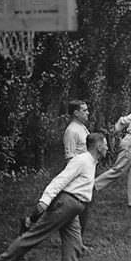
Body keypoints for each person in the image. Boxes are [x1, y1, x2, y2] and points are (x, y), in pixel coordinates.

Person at [0, 133, 107, 261]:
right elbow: (61, 179)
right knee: (36, 235)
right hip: (66, 204)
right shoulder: (81, 160)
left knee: (74, 244)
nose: (107, 148)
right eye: (105, 145)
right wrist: (45, 200)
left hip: (74, 208)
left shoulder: (92, 162)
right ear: (99, 147)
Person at [20, 100, 91, 240]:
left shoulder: (82, 128)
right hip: (75, 175)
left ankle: (77, 240)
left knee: (71, 205)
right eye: (85, 110)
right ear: (76, 113)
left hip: (83, 174)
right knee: (61, 204)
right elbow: (70, 158)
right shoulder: (71, 131)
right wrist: (78, 177)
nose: (88, 113)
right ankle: (30, 221)